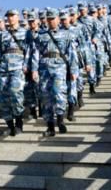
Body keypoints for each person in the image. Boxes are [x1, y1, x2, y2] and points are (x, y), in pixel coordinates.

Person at [29, 8, 78, 137]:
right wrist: (34, 69)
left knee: (58, 93)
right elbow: (36, 53)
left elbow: (72, 53)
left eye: (53, 19)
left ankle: (61, 120)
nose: (51, 21)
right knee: (45, 97)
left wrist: (73, 70)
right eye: (49, 19)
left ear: (58, 19)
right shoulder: (41, 35)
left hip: (59, 67)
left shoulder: (66, 34)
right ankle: (50, 126)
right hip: (44, 67)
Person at [0, 9, 28, 136]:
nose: (10, 18)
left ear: (17, 17)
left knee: (15, 94)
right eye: (8, 16)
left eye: (12, 16)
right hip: (4, 68)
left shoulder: (25, 33)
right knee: (4, 98)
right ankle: (10, 125)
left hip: (18, 67)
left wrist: (27, 66)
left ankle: (19, 123)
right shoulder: (2, 34)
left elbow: (30, 51)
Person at [24, 11, 41, 119]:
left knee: (40, 87)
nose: (31, 23)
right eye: (30, 22)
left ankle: (42, 110)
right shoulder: (27, 34)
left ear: (37, 21)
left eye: (33, 21)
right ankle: (32, 110)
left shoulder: (43, 33)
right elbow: (26, 50)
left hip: (41, 64)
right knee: (29, 88)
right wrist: (25, 64)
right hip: (29, 64)